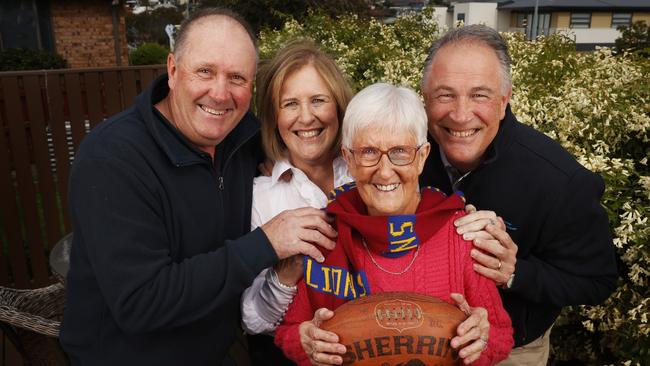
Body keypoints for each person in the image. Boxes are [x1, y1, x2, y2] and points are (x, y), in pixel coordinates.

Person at [59, 9, 337, 365]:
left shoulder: (242, 137)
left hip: (216, 351)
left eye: (236, 78)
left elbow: (302, 136)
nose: (220, 93)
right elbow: (141, 301)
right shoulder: (113, 159)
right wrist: (265, 243)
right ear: (173, 70)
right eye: (205, 71)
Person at [419, 24, 618, 365]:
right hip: (419, 339)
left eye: (479, 94)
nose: (460, 114)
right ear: (424, 98)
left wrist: (515, 272)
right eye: (445, 94)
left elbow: (597, 280)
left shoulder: (559, 181)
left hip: (511, 351)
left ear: (503, 100)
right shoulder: (404, 153)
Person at [275, 83, 514, 366]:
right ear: (348, 159)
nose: (385, 171)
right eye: (368, 152)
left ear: (422, 157)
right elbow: (288, 332)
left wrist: (480, 341)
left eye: (400, 151)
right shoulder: (324, 236)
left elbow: (501, 336)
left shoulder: (462, 233)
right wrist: (306, 342)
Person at [240, 39, 355, 365]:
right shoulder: (261, 196)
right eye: (290, 104)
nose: (306, 117)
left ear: (338, 106)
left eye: (319, 100)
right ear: (274, 117)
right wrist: (286, 273)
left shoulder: (370, 171)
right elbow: (253, 321)